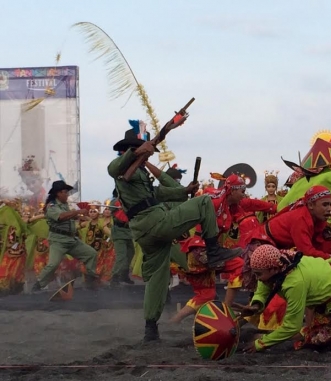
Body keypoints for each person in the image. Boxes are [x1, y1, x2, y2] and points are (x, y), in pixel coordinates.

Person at [107, 119, 242, 342]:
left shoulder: (138, 174)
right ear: (130, 151)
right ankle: (214, 250)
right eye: (145, 151)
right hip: (153, 222)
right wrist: (138, 151)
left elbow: (157, 195)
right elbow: (114, 168)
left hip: (145, 232)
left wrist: (184, 192)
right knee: (204, 203)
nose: (149, 155)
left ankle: (150, 328)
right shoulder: (120, 168)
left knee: (157, 281)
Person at [31, 181, 99, 292]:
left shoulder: (65, 205)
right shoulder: (51, 206)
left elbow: (69, 218)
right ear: (58, 193)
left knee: (91, 254)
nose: (67, 194)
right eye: (65, 192)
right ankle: (38, 285)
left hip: (71, 240)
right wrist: (77, 212)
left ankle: (90, 281)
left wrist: (83, 217)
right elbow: (61, 217)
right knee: (53, 264)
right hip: (58, 241)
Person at [110, 189, 135, 285]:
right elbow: (115, 212)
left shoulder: (128, 202)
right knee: (121, 256)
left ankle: (124, 274)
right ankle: (114, 276)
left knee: (130, 253)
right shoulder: (114, 202)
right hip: (119, 232)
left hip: (127, 232)